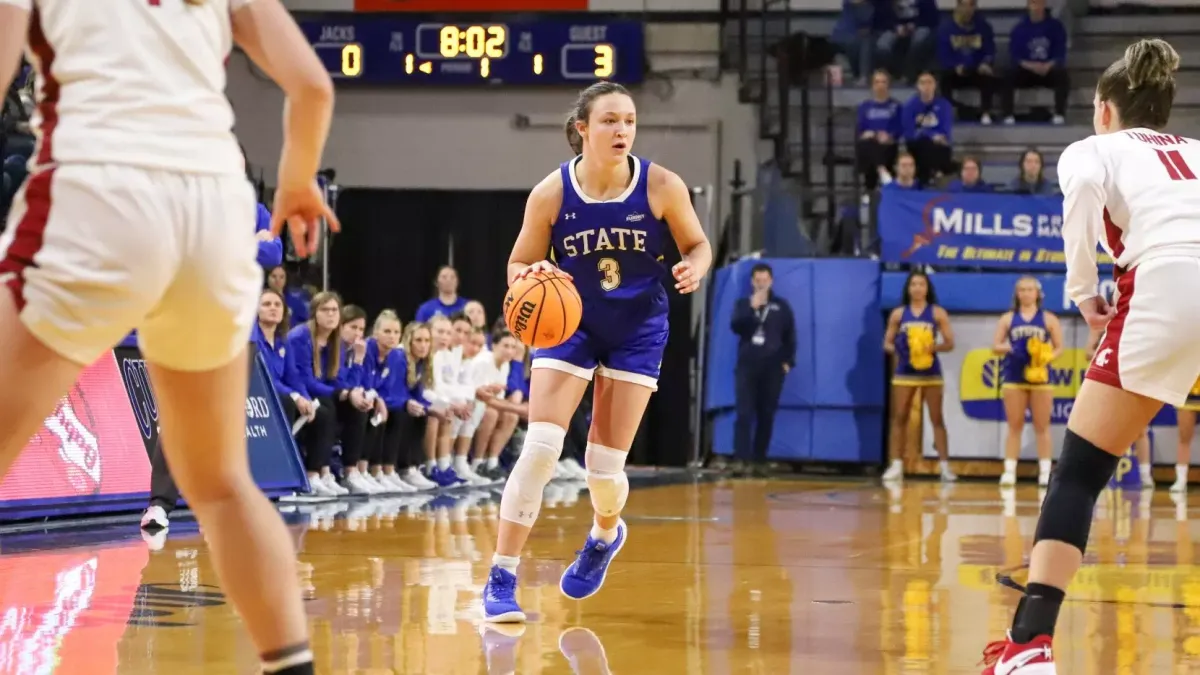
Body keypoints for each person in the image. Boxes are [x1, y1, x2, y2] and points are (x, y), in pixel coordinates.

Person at [0, 0, 336, 673]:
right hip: (215, 210)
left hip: (101, 191)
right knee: (219, 484)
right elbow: (313, 86)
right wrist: (297, 181)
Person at [980, 39, 1200, 674]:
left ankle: (1029, 646)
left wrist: (1081, 294)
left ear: (1105, 109)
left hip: (1162, 286)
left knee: (1078, 472)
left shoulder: (1093, 149)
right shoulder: (1193, 152)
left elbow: (1077, 209)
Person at [481, 81, 711, 622]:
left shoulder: (661, 185)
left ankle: (605, 534)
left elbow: (698, 245)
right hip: (571, 321)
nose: (622, 130)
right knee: (539, 448)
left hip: (637, 327)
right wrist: (530, 274)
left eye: (629, 120)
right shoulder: (551, 193)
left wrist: (693, 268)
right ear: (581, 128)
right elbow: (518, 265)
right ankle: (501, 576)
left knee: (603, 469)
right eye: (609, 120)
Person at [882, 271, 956, 483]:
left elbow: (950, 343)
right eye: (913, 284)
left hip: (931, 371)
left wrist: (934, 347)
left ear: (927, 288)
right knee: (900, 416)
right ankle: (896, 465)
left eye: (921, 284)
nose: (917, 288)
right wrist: (900, 349)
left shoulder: (937, 313)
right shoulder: (898, 314)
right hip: (905, 371)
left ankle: (944, 467)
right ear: (908, 288)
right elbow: (886, 343)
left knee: (936, 418)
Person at [993, 276, 1062, 488]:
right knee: (1015, 426)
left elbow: (1059, 348)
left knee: (1042, 426)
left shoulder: (1049, 319)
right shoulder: (1007, 319)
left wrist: (1045, 355)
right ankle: (1009, 471)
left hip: (1041, 378)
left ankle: (1044, 472)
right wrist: (1011, 349)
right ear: (1017, 294)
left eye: (1030, 289)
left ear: (1038, 293)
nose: (1025, 293)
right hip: (1014, 376)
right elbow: (996, 345)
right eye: (1021, 290)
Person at [729, 262, 796, 477]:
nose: (761, 284)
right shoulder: (743, 304)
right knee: (744, 413)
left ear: (771, 281)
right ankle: (741, 459)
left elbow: (790, 336)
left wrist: (788, 362)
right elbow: (737, 326)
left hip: (773, 368)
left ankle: (759, 460)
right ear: (752, 282)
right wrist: (752, 308)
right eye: (757, 281)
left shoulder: (781, 306)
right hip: (747, 366)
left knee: (766, 414)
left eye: (764, 280)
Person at [936, 0, 998, 123]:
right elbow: (942, 55)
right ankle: (948, 112)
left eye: (971, 5)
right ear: (958, 6)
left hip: (976, 69)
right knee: (943, 77)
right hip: (955, 71)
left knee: (989, 77)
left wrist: (985, 63)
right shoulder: (946, 28)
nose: (968, 9)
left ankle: (986, 113)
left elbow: (990, 51)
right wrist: (954, 66)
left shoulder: (983, 27)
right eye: (964, 5)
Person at [902, 72, 955, 186]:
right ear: (917, 86)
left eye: (929, 82)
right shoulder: (910, 106)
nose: (926, 86)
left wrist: (937, 137)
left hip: (939, 145)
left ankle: (930, 177)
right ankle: (933, 174)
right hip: (917, 145)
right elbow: (909, 132)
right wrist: (929, 134)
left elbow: (946, 130)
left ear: (935, 85)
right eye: (923, 83)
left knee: (938, 148)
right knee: (926, 145)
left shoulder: (944, 105)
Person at [855, 70, 903, 191]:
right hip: (869, 144)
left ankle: (871, 187)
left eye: (883, 82)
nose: (880, 85)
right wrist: (874, 135)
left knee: (871, 150)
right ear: (872, 86)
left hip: (888, 146)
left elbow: (900, 128)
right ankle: (881, 169)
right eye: (877, 82)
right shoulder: (864, 107)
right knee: (868, 144)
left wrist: (889, 136)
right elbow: (860, 131)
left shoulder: (896, 106)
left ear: (888, 85)